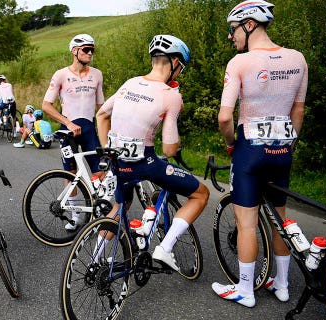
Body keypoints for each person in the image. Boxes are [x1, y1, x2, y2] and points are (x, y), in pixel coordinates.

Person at [212, 0, 308, 308]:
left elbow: (225, 117)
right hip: (283, 147)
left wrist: (231, 145)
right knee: (280, 218)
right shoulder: (298, 58)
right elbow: (298, 110)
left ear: (249, 24)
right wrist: (287, 146)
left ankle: (245, 290)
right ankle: (282, 285)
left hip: (250, 150)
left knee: (248, 223)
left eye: (233, 29)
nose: (231, 36)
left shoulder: (239, 63)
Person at [96, 34, 210, 274]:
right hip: (145, 163)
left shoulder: (130, 83)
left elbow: (102, 115)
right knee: (201, 194)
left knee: (120, 206)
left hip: (118, 161)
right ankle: (165, 248)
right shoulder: (171, 95)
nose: (181, 73)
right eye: (182, 68)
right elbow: (169, 149)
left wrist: (109, 148)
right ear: (175, 62)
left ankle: (95, 257)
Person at [42, 34, 105, 230]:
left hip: (88, 128)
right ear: (74, 51)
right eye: (86, 49)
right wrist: (67, 123)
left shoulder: (97, 74)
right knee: (70, 174)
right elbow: (46, 105)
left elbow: (102, 108)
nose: (90, 53)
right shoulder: (60, 74)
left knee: (100, 173)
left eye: (92, 50)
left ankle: (100, 215)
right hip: (67, 131)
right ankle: (77, 215)